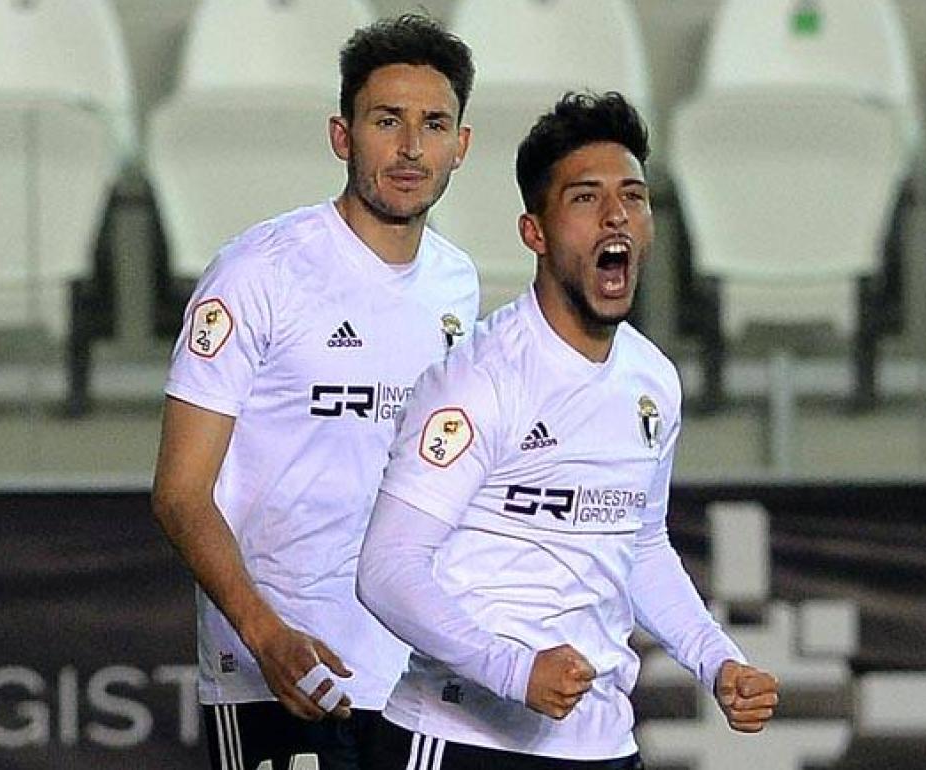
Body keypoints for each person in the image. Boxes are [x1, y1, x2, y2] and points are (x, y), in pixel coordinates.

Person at [356, 92, 779, 770]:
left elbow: (638, 544)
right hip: (462, 739)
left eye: (633, 197)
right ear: (536, 233)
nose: (616, 214)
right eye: (585, 198)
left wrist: (717, 663)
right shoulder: (480, 381)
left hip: (605, 745)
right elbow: (385, 570)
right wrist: (512, 670)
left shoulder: (652, 381)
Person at [150, 14, 476, 770]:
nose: (409, 148)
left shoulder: (458, 284)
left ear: (461, 146)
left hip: (419, 681)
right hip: (280, 675)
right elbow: (179, 492)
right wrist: (264, 636)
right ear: (342, 135)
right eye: (386, 121)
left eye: (433, 125)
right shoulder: (258, 273)